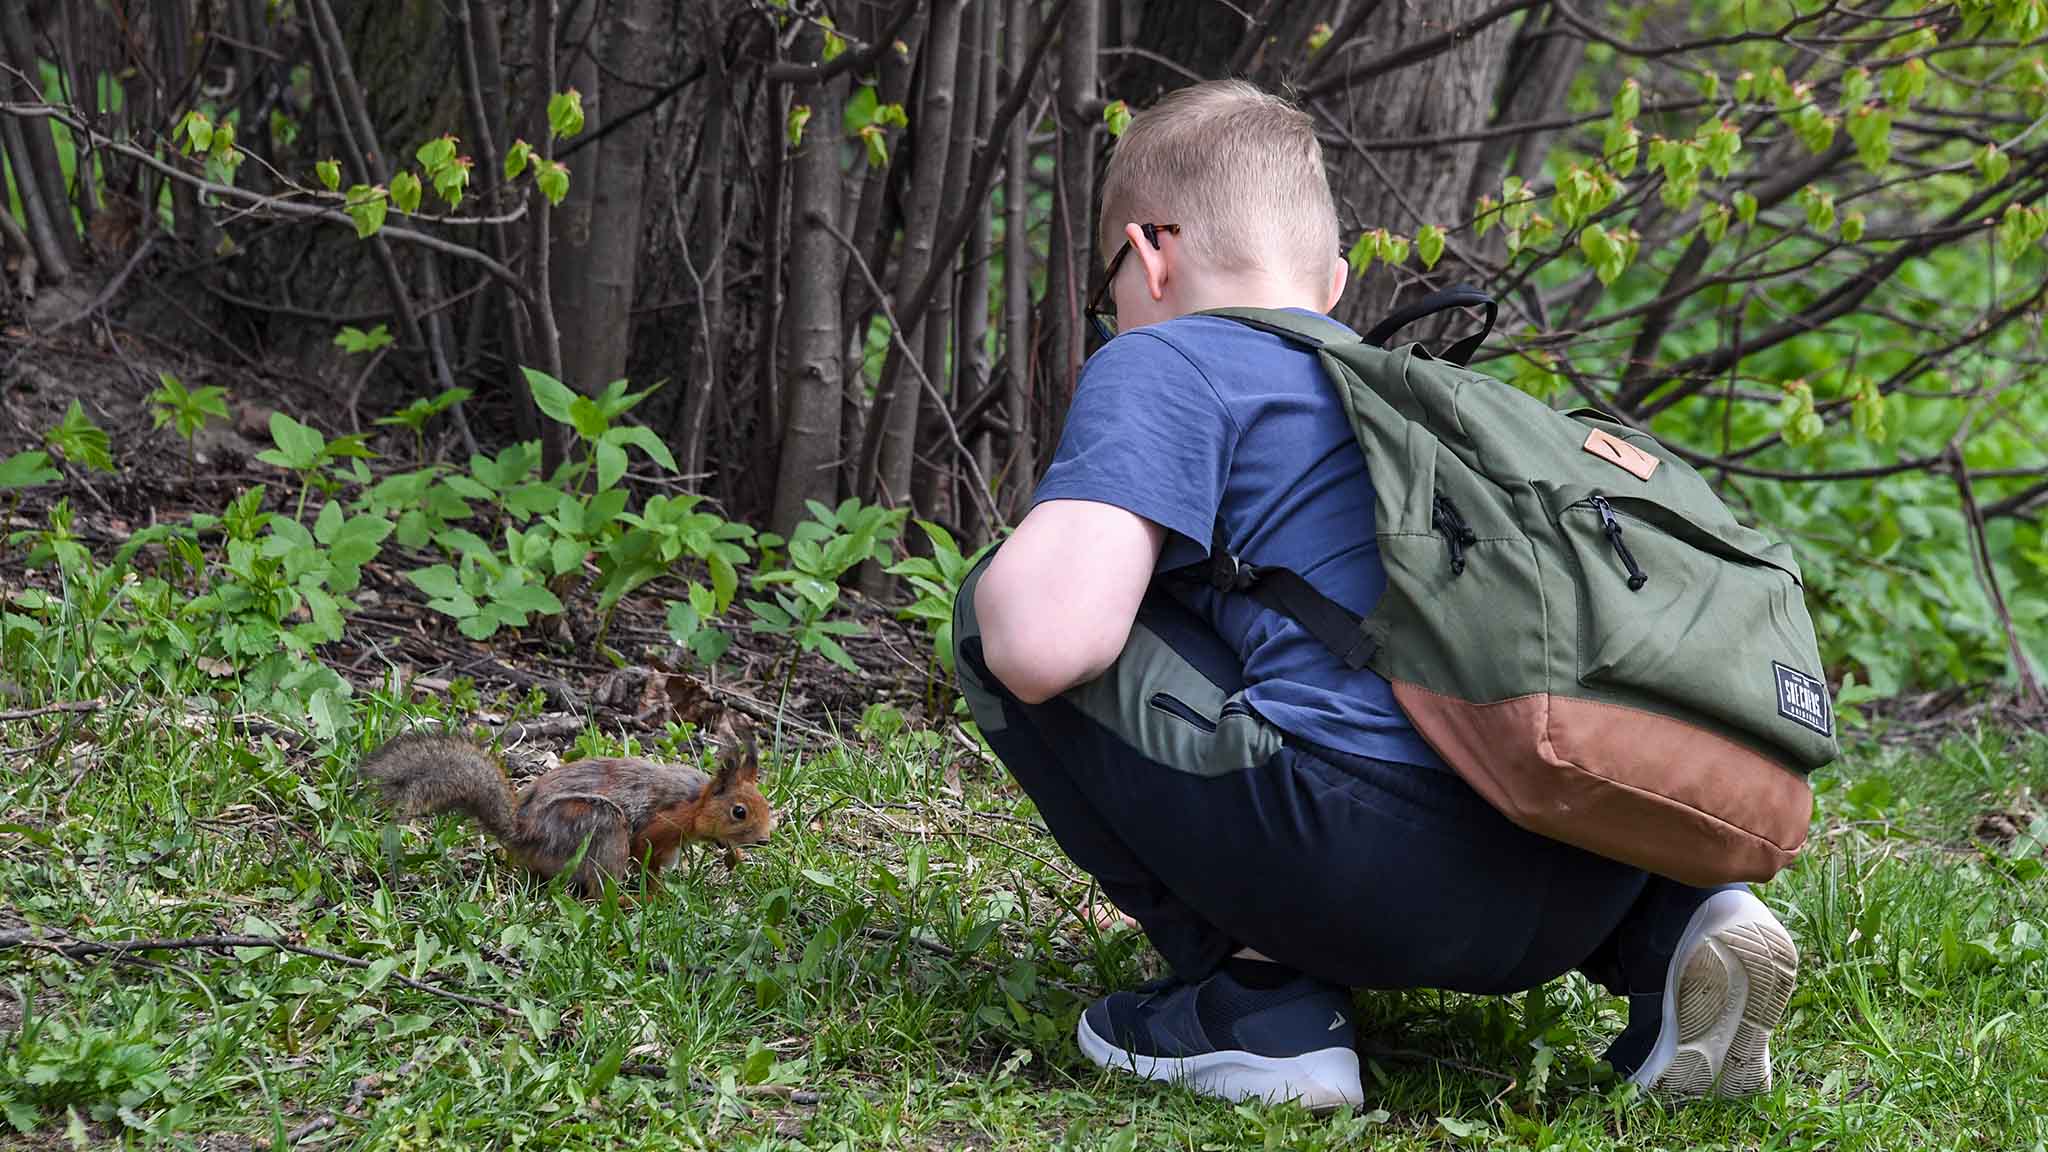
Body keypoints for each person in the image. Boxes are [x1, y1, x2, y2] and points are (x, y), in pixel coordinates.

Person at [950, 79, 1799, 1112]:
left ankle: (1259, 1002)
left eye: (1108, 291)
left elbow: (1043, 643)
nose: (1113, 315)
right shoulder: (1408, 404)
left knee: (996, 604)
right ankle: (1670, 930)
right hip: (1578, 859)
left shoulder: (1168, 355)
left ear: (1150, 254)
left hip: (1358, 861)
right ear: (1335, 282)